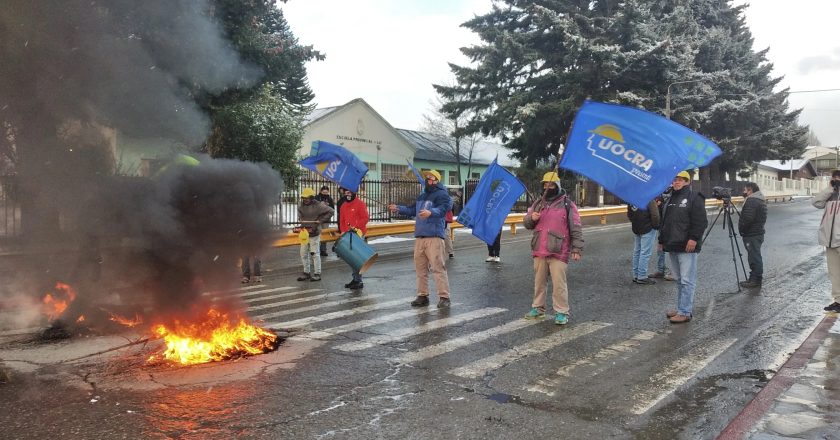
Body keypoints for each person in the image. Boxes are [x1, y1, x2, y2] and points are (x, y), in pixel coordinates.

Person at [523, 171, 584, 325]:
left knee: (559, 284)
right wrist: (531, 218)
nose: (547, 187)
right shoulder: (538, 203)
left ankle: (561, 312)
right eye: (544, 185)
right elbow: (527, 223)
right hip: (539, 250)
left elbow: (576, 227)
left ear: (556, 186)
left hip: (559, 251)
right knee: (539, 283)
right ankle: (538, 309)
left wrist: (576, 249)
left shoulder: (567, 204)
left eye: (550, 184)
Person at [388, 169, 453, 308]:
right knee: (420, 269)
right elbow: (412, 210)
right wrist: (398, 208)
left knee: (438, 268)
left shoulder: (443, 195)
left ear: (436, 180)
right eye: (427, 178)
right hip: (420, 237)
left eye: (430, 178)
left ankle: (444, 297)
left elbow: (443, 209)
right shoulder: (422, 195)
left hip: (434, 237)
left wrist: (431, 212)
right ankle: (422, 296)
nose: (428, 179)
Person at [659, 171, 708, 323]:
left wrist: (693, 238)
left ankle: (685, 312)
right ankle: (681, 308)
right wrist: (661, 240)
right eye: (675, 180)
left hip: (687, 246)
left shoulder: (695, 198)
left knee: (687, 280)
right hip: (672, 244)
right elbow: (665, 223)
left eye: (681, 180)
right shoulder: (670, 199)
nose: (677, 182)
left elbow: (701, 222)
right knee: (679, 280)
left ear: (688, 182)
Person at [813, 170, 840, 313]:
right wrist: (830, 188)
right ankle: (838, 301)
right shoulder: (830, 195)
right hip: (829, 240)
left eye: (838, 178)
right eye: (834, 178)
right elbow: (816, 202)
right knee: (834, 273)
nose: (837, 181)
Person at [297, 187, 334, 282]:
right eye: (304, 198)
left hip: (314, 233)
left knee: (315, 254)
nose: (305, 199)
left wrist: (320, 221)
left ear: (312, 197)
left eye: (307, 198)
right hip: (305, 233)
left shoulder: (318, 205)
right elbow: (300, 214)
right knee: (303, 254)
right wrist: (300, 219)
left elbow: (331, 211)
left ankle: (317, 274)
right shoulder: (301, 206)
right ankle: (306, 272)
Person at [338, 188, 369, 289]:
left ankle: (358, 281)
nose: (347, 194)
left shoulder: (360, 204)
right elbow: (341, 220)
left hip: (358, 234)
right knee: (351, 259)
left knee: (357, 258)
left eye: (349, 192)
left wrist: (355, 226)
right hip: (348, 235)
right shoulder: (343, 205)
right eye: (346, 192)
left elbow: (365, 218)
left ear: (354, 193)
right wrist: (343, 231)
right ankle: (355, 278)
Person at [738, 182, 767, 288]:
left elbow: (747, 219)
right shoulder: (759, 200)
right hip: (757, 233)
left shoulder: (752, 201)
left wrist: (742, 229)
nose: (743, 192)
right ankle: (754, 278)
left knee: (754, 257)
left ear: (750, 190)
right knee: (755, 256)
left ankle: (755, 280)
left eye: (745, 190)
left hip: (752, 234)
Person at [627, 198, 660, 285]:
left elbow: (629, 214)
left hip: (637, 228)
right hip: (648, 228)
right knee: (645, 253)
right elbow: (655, 215)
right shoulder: (649, 197)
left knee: (637, 252)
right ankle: (642, 276)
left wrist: (635, 222)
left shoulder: (631, 199)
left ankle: (636, 275)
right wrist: (656, 226)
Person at [650, 190, 675, 281]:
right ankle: (661, 270)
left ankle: (674, 272)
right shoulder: (658, 192)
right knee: (660, 248)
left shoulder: (675, 193)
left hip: (672, 224)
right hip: (662, 223)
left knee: (673, 248)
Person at [315, 185, 335, 257]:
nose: (325, 194)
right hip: (318, 219)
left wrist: (327, 206)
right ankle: (315, 250)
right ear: (321, 191)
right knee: (317, 234)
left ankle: (323, 250)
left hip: (326, 220)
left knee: (325, 234)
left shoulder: (329, 199)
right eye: (324, 192)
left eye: (326, 192)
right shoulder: (316, 198)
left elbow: (332, 209)